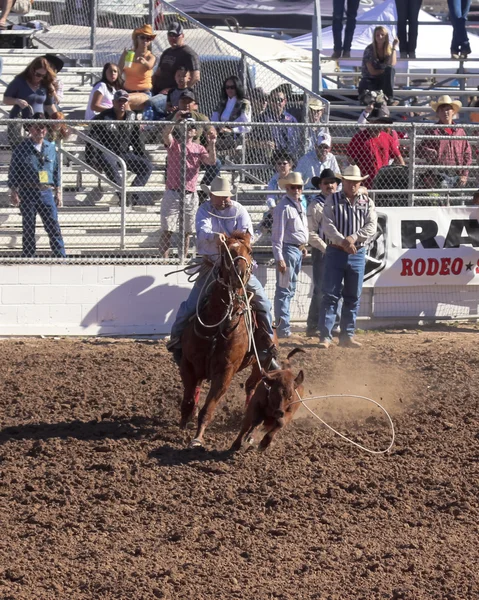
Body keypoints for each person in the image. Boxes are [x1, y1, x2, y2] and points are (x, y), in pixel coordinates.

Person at [166, 175, 279, 370]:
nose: (224, 199)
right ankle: (176, 340)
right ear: (211, 195)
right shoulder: (204, 210)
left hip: (238, 269)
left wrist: (228, 242)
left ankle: (268, 344)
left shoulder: (239, 210)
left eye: (226, 196)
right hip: (212, 267)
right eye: (220, 196)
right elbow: (202, 232)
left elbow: (246, 236)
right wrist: (213, 237)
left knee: (263, 303)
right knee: (191, 305)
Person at [318, 165, 377, 349]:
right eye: (349, 181)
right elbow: (327, 226)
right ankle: (326, 336)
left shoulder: (367, 202)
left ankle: (346, 335)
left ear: (360, 183)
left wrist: (353, 238)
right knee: (330, 294)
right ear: (343, 181)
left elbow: (372, 226)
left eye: (355, 182)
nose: (352, 185)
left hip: (357, 252)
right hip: (336, 250)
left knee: (353, 295)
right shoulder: (332, 200)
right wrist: (344, 241)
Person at [159, 112, 217, 258]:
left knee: (187, 232)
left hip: (190, 193)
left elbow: (211, 161)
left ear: (195, 131)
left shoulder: (199, 148)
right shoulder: (174, 145)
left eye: (192, 127)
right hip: (173, 192)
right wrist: (175, 119)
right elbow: (166, 134)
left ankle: (183, 259)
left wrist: (212, 144)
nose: (189, 129)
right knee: (167, 229)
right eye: (187, 126)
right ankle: (163, 260)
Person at [8, 113, 66, 258]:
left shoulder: (50, 147)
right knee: (28, 227)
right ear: (30, 129)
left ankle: (60, 256)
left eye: (43, 128)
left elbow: (56, 171)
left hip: (46, 192)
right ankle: (28, 256)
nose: (41, 130)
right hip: (27, 191)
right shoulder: (21, 148)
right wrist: (14, 191)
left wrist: (58, 191)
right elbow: (14, 170)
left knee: (53, 225)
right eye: (37, 127)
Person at [86, 90, 153, 206]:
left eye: (124, 101)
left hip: (124, 153)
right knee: (108, 161)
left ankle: (132, 196)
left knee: (147, 166)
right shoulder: (103, 118)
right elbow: (92, 140)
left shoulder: (132, 118)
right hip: (107, 152)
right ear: (113, 102)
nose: (122, 104)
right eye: (119, 101)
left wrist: (143, 156)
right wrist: (92, 159)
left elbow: (137, 141)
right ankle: (123, 196)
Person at [272, 172, 309, 339]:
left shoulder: (296, 204)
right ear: (287, 188)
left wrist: (301, 246)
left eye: (299, 187)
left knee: (288, 290)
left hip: (295, 250)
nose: (296, 190)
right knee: (284, 291)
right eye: (293, 187)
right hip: (288, 252)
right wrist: (279, 258)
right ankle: (283, 329)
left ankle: (283, 327)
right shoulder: (284, 208)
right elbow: (277, 236)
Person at [305, 169, 340, 337]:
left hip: (339, 250)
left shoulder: (342, 203)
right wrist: (325, 248)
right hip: (323, 250)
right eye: (326, 183)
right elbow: (310, 232)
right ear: (320, 185)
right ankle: (313, 324)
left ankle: (334, 324)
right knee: (320, 289)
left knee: (337, 288)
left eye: (333, 182)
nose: (330, 185)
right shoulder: (315, 204)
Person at [419, 95, 472, 189]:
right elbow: (420, 149)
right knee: (442, 198)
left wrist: (464, 174)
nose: (445, 112)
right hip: (438, 173)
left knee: (456, 200)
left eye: (448, 109)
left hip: (457, 173)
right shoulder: (433, 130)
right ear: (438, 113)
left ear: (453, 112)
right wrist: (428, 151)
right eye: (442, 110)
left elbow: (467, 154)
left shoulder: (460, 131)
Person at [149, 21, 200, 119]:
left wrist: (176, 92)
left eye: (176, 35)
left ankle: (150, 130)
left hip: (172, 95)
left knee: (151, 103)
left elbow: (195, 77)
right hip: (157, 90)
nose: (173, 38)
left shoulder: (189, 54)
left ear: (182, 35)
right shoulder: (166, 52)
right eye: (170, 35)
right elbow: (157, 74)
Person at [347, 108, 405, 187]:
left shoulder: (387, 138)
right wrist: (357, 176)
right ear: (370, 122)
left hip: (384, 180)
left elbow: (398, 157)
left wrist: (402, 173)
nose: (378, 124)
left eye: (380, 122)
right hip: (365, 180)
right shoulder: (359, 138)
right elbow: (351, 159)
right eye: (376, 122)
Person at [119, 24, 156, 111]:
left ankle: (129, 123)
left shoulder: (150, 56)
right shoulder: (129, 54)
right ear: (137, 38)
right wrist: (124, 56)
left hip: (144, 93)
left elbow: (150, 66)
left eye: (148, 38)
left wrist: (144, 63)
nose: (145, 40)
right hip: (127, 90)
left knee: (125, 100)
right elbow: (119, 70)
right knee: (119, 100)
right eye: (143, 37)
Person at [211, 75, 251, 156]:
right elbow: (213, 120)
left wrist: (231, 130)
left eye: (232, 87)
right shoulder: (222, 103)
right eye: (227, 87)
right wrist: (215, 129)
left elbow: (247, 126)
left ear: (237, 88)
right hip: (220, 135)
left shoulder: (244, 103)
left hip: (235, 137)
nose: (229, 90)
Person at [358, 26, 398, 102]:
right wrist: (384, 71)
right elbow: (372, 72)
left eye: (382, 35)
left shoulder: (388, 49)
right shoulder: (369, 49)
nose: (380, 37)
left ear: (386, 37)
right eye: (377, 35)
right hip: (370, 79)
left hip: (382, 80)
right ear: (374, 37)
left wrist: (394, 47)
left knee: (390, 69)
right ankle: (387, 99)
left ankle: (389, 98)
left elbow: (392, 64)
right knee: (388, 71)